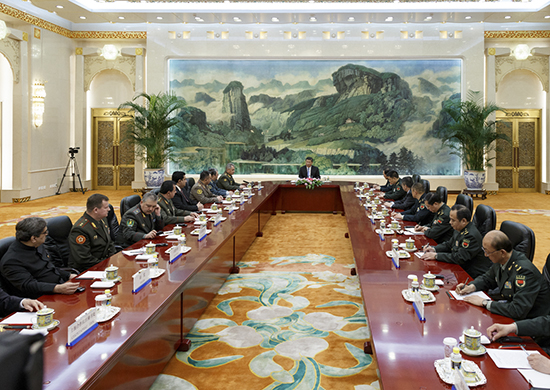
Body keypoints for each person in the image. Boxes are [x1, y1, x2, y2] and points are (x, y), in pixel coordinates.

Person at [455, 230, 550, 320]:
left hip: (530, 322)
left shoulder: (524, 272)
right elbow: (487, 278)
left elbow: (518, 310)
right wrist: (471, 286)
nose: (485, 255)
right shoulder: (501, 259)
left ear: (502, 252)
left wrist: (485, 303)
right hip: (510, 310)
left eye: (488, 252)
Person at [0, 217, 80, 299]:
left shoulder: (36, 245)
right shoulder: (11, 261)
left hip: (60, 287)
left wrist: (68, 275)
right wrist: (57, 288)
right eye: (44, 232)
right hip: (42, 298)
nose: (47, 234)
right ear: (34, 238)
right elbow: (28, 285)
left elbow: (49, 268)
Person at [421, 204, 491, 279]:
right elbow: (449, 244)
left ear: (463, 221)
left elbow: (459, 258)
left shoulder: (470, 236)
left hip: (471, 275)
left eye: (453, 220)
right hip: (460, 269)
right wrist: (434, 249)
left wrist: (436, 256)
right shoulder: (459, 228)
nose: (450, 222)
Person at [68, 193, 116, 272]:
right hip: (89, 269)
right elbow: (84, 259)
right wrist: (106, 265)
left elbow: (109, 242)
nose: (109, 209)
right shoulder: (80, 229)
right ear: (96, 210)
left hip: (104, 264)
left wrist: (114, 259)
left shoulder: (102, 219)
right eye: (106, 207)